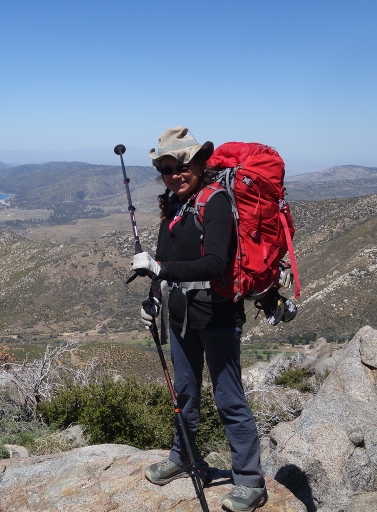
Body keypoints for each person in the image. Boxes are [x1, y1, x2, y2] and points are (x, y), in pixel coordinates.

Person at [130, 127, 267, 512]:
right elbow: (163, 265)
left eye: (183, 165)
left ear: (200, 163)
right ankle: (184, 456)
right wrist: (153, 299)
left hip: (218, 314)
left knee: (228, 398)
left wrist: (161, 268)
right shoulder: (172, 206)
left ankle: (250, 482)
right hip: (180, 315)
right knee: (185, 392)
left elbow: (215, 263)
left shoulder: (216, 202)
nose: (176, 174)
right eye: (167, 168)